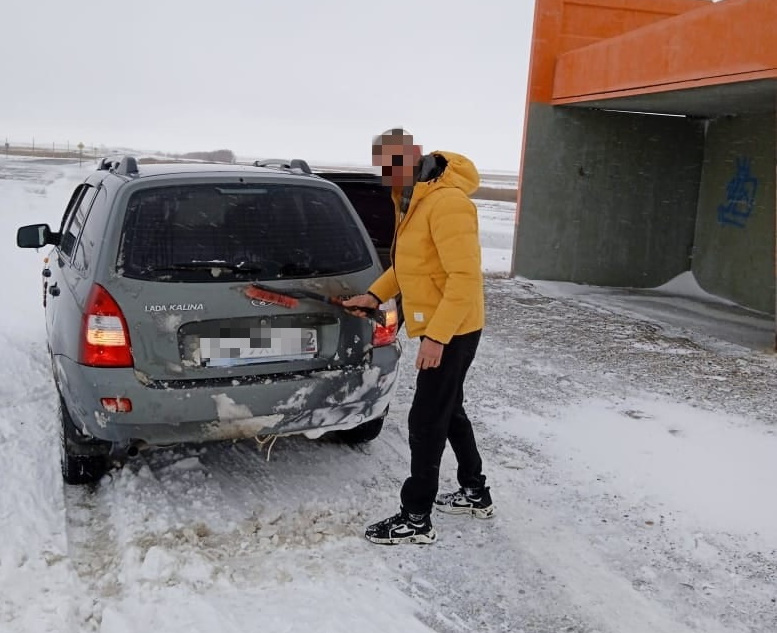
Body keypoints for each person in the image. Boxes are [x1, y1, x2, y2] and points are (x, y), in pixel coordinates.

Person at [343, 128, 494, 545]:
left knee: (427, 420)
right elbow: (410, 266)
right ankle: (474, 491)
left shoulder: (447, 203)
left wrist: (437, 337)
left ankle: (416, 518)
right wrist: (374, 295)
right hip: (444, 327)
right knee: (450, 410)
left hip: (454, 329)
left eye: (395, 162)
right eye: (384, 166)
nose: (389, 173)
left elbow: (464, 279)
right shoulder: (414, 199)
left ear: (416, 156)